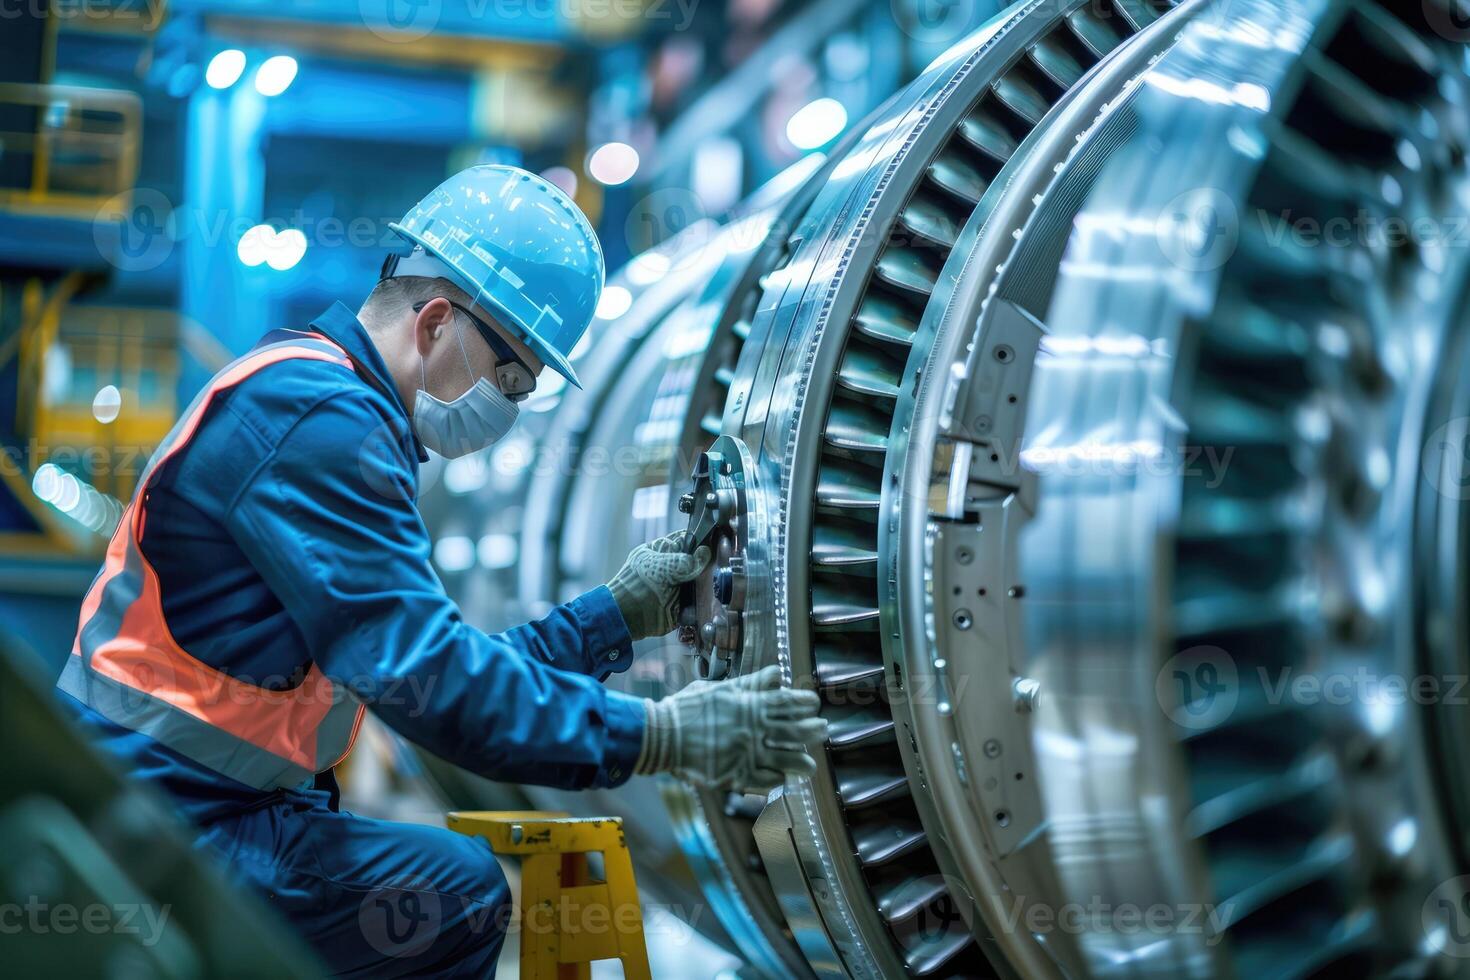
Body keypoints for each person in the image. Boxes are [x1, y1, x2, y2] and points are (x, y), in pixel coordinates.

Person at [55, 165, 825, 976]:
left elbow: (427, 671)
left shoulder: (327, 402)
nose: (509, 410)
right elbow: (434, 680)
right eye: (513, 380)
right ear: (433, 324)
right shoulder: (322, 425)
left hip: (201, 797)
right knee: (451, 892)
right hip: (167, 812)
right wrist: (662, 735)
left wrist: (616, 615)